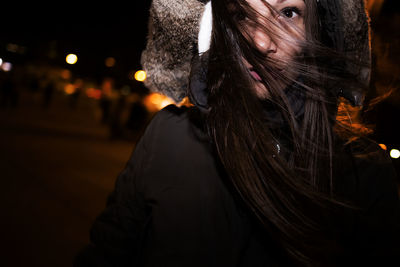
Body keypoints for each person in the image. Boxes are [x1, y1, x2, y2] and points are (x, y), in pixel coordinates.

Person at [74, 0, 400, 266]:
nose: (260, 41)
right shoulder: (168, 137)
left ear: (320, 31)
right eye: (243, 14)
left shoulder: (364, 174)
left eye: (289, 12)